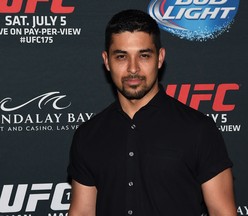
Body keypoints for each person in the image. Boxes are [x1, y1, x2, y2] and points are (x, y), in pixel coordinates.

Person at [67, 9, 237, 216]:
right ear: (106, 61)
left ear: (160, 58)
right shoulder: (88, 136)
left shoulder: (198, 129)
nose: (133, 68)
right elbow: (82, 212)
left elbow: (222, 211)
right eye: (121, 56)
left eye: (144, 55)